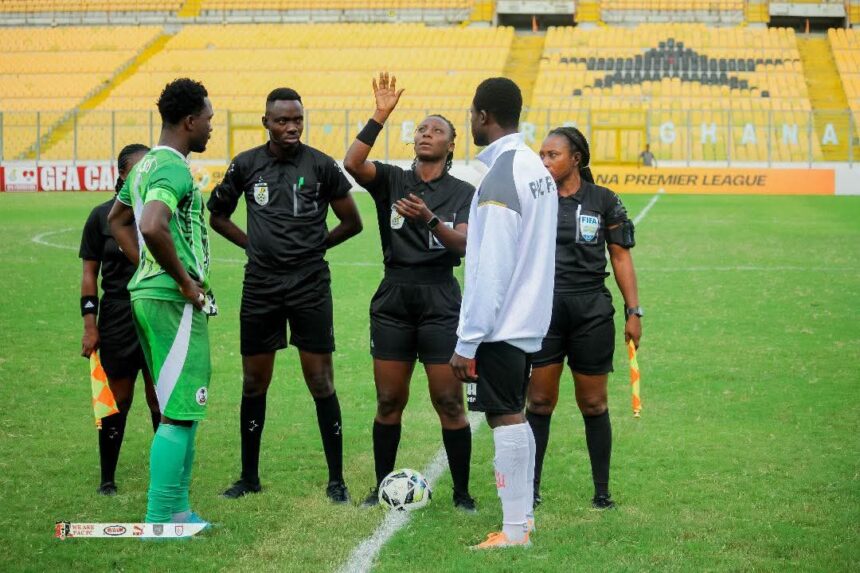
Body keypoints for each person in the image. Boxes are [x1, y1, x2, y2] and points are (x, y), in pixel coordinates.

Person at [208, 87, 363, 503]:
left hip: (310, 284)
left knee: (320, 380)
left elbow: (353, 221)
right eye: (282, 120)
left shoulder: (321, 165)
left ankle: (336, 480)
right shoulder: (245, 165)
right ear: (266, 123)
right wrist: (251, 245)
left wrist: (316, 246)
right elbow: (217, 215)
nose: (291, 127)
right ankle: (248, 477)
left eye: (297, 119)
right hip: (260, 285)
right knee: (254, 381)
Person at [343, 72, 476, 511]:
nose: (426, 133)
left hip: (440, 297)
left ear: (451, 145)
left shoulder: (462, 191)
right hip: (394, 296)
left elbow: (465, 243)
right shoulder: (394, 180)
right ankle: (380, 487)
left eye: (437, 130)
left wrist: (430, 220)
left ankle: (461, 493)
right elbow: (352, 163)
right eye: (421, 128)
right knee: (388, 399)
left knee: (447, 400)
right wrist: (379, 116)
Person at [450, 77, 558, 549]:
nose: (470, 120)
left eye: (472, 113)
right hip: (529, 316)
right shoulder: (534, 165)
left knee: (505, 417)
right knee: (513, 413)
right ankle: (523, 521)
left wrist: (467, 340)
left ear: (483, 116)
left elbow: (490, 267)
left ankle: (515, 532)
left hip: (503, 323)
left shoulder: (501, 176)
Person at [108, 77, 215, 527]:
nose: (211, 127)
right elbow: (151, 225)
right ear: (189, 121)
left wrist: (148, 268)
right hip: (173, 300)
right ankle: (162, 517)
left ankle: (178, 511)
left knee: (179, 405)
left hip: (151, 294)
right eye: (209, 120)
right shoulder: (172, 168)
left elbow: (118, 221)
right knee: (178, 409)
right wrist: (185, 283)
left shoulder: (142, 166)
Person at [527, 126, 642, 510]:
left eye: (552, 155)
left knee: (593, 404)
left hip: (591, 310)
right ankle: (531, 488)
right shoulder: (534, 199)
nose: (544, 162)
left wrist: (633, 311)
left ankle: (602, 491)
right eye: (541, 155)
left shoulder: (603, 199)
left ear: (575, 158)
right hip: (544, 310)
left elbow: (621, 256)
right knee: (540, 402)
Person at [79, 142, 159, 496]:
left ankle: (165, 473)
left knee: (161, 398)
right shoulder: (101, 217)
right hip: (118, 315)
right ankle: (107, 478)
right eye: (139, 169)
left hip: (158, 311)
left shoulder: (159, 212)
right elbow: (89, 274)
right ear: (123, 174)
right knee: (119, 399)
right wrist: (90, 325)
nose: (145, 174)